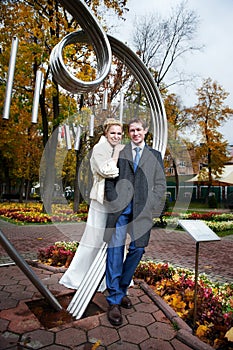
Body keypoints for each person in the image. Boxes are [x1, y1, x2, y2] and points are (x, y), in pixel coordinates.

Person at [103, 117, 166, 326]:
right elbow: (110, 180)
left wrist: (151, 205)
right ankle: (113, 301)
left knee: (138, 250)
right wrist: (113, 200)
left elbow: (160, 185)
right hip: (120, 211)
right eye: (131, 130)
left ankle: (120, 290)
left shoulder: (155, 156)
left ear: (145, 131)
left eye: (138, 129)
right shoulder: (121, 152)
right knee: (115, 249)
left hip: (142, 212)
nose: (135, 133)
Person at [59, 118, 124, 291]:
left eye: (119, 133)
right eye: (113, 133)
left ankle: (106, 278)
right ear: (105, 133)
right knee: (94, 239)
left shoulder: (114, 148)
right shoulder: (100, 148)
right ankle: (79, 276)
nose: (116, 136)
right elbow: (107, 171)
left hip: (115, 200)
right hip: (101, 200)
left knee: (113, 240)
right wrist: (117, 154)